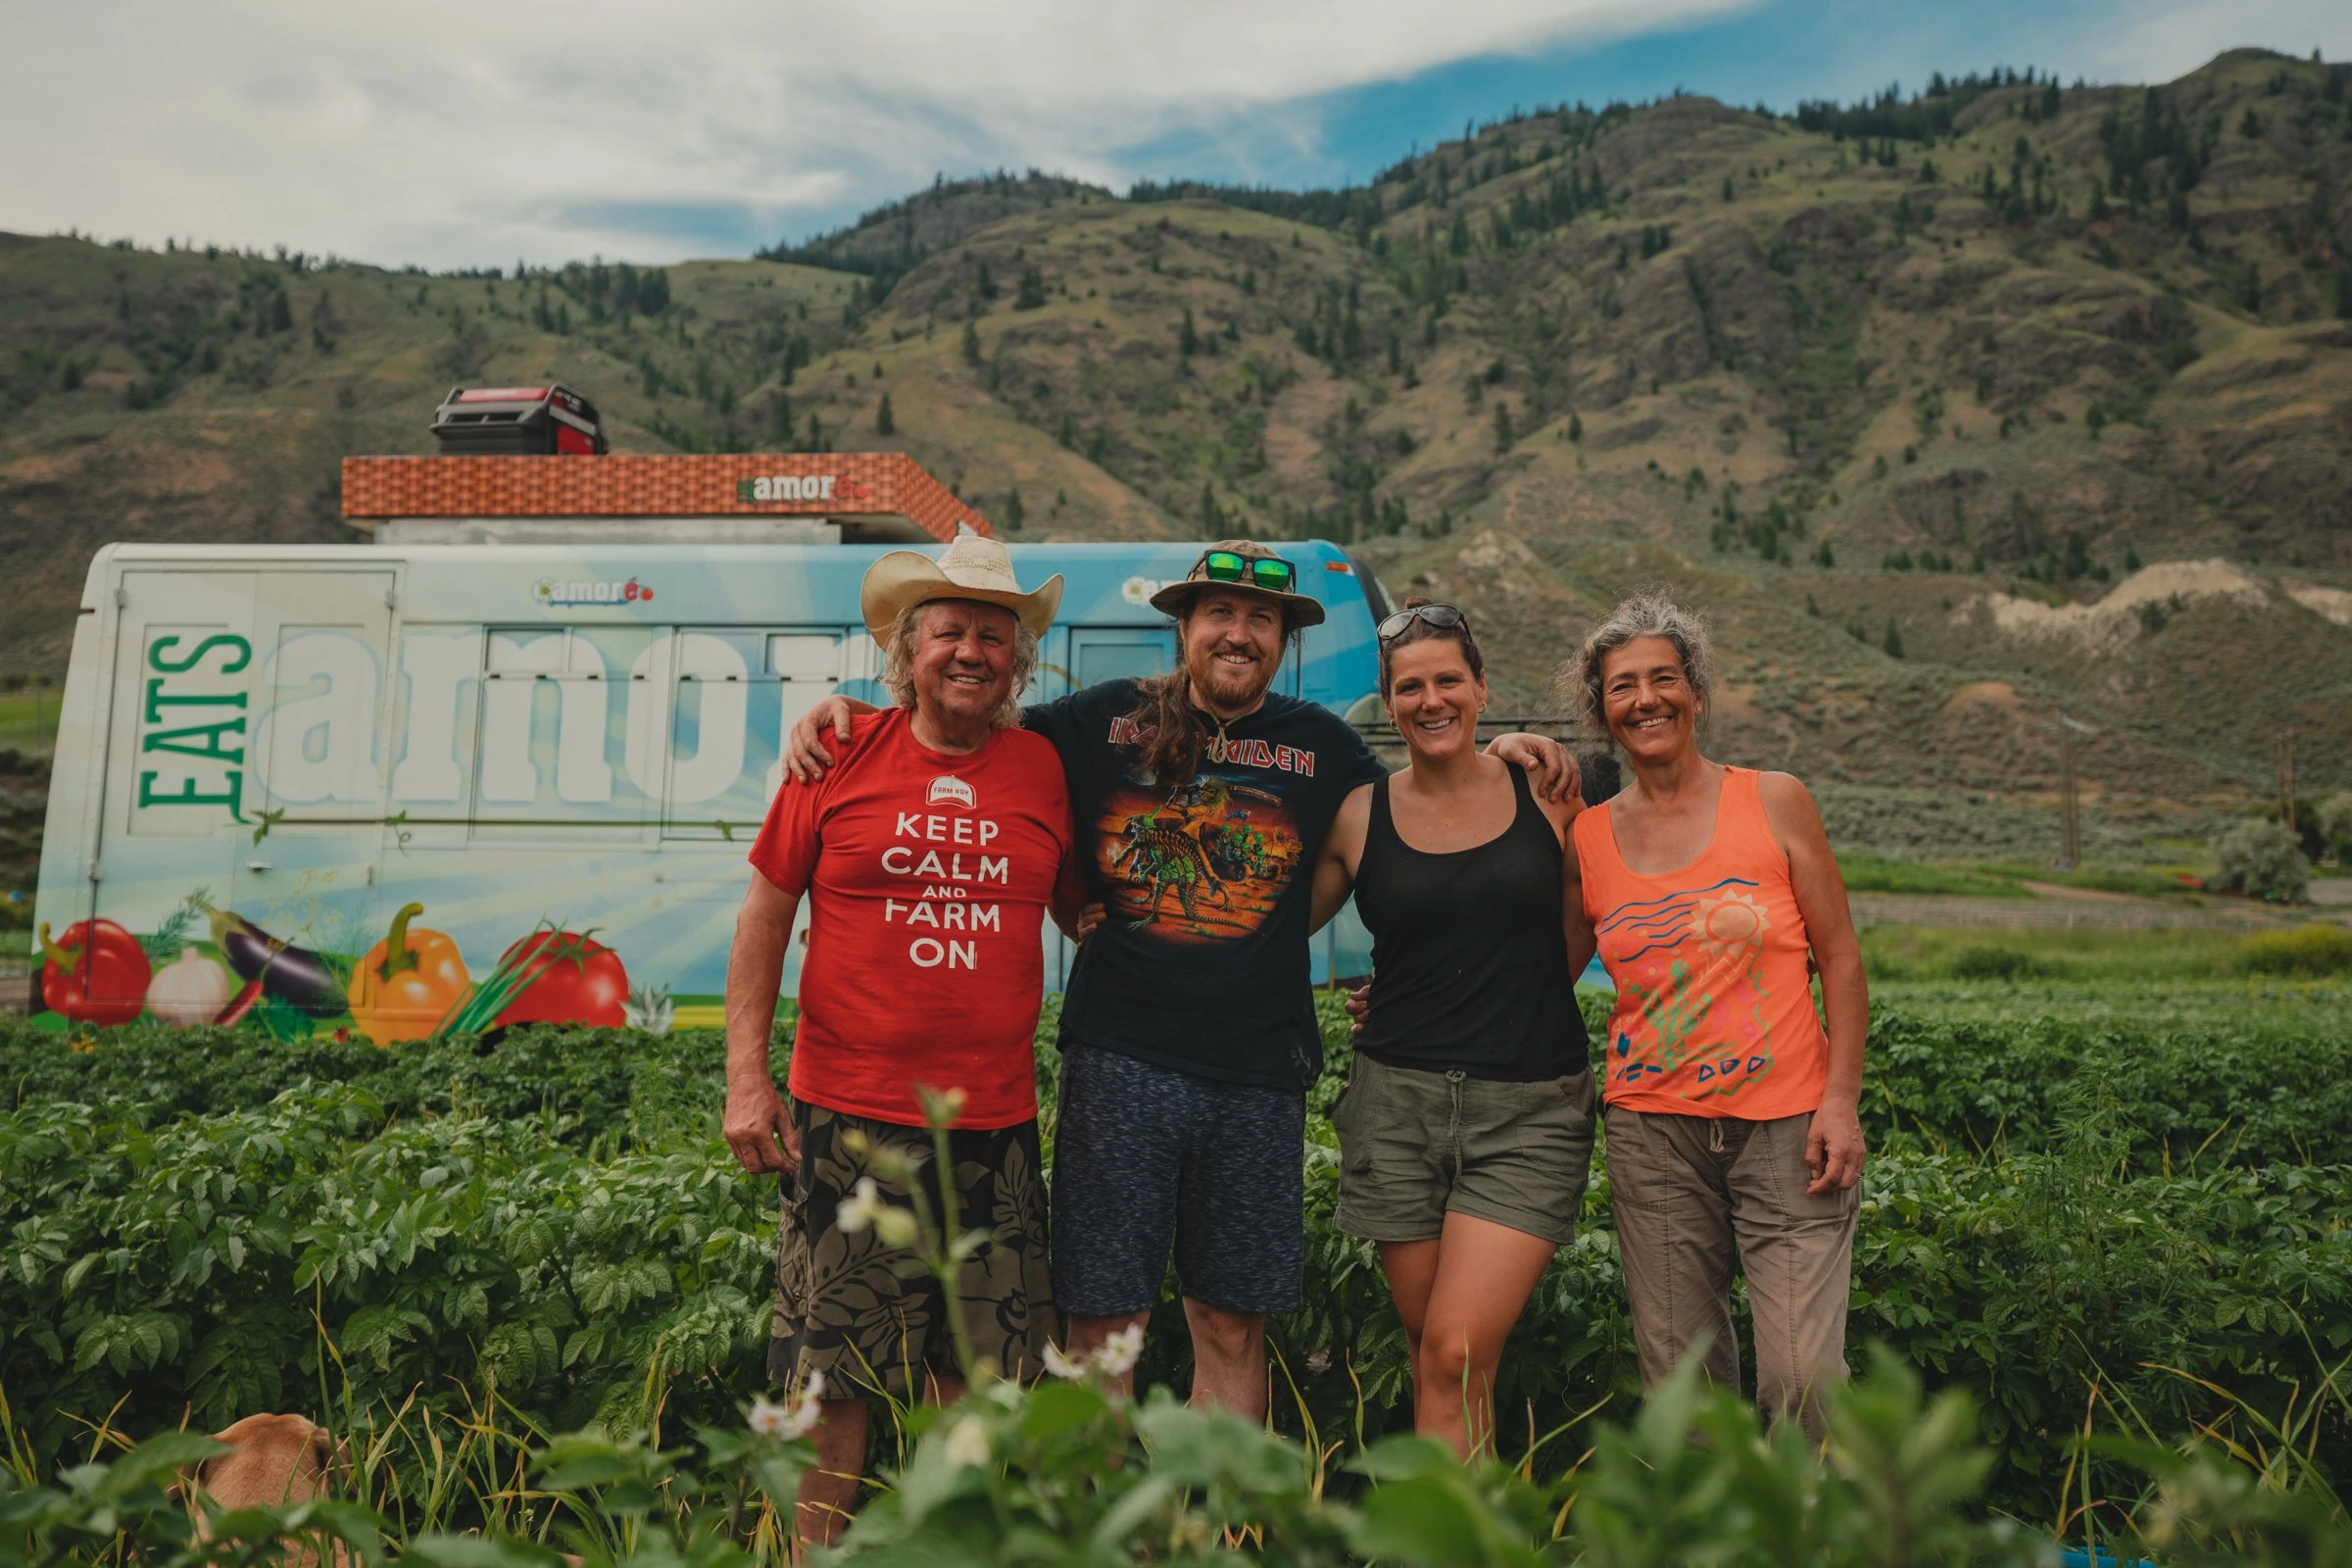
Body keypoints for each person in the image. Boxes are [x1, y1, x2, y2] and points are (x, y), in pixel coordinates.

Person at [782, 540, 1579, 1419]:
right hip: (1119, 1066)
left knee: (1233, 1326)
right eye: (1220, 614)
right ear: (1186, 627)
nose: (1239, 634)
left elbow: (1431, 807)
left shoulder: (1326, 750)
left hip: (1259, 1077)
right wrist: (850, 714)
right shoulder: (1096, 721)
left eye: (1260, 619)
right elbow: (962, 727)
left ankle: (1219, 1540)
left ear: (1283, 639)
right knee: (1102, 1325)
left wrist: (1512, 748)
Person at [722, 534, 1081, 1547]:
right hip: (845, 1116)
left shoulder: (1043, 766)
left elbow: (1080, 898)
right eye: (950, 632)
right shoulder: (838, 750)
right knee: (832, 1378)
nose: (972, 652)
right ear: (907, 648)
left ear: (1017, 659)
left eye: (993, 636)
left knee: (977, 1381)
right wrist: (746, 1080)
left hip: (995, 1127)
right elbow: (764, 917)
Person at [1567, 593, 1868, 1437]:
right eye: (1623, 686)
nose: (1646, 699)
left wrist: (1840, 1101)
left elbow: (1840, 957)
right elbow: (1540, 977)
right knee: (1683, 1386)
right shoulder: (1588, 836)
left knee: (1805, 1381)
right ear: (1603, 712)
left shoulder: (1774, 800)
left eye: (1664, 678)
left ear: (1696, 693)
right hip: (1652, 1137)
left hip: (1788, 1128)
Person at [1307, 600, 1592, 1458]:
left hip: (1529, 1109)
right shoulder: (1357, 815)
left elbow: (1584, 937)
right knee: (1439, 1355)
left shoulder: (1549, 795)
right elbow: (1263, 931)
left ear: (1480, 689)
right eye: (1409, 688)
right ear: (1388, 706)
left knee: (1456, 1349)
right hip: (1396, 1106)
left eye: (1447, 681)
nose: (1430, 701)